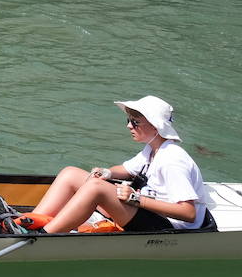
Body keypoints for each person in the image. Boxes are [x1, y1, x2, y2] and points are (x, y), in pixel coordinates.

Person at [20, 96, 207, 235]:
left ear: (156, 127)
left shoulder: (172, 161)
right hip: (147, 210)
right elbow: (126, 170)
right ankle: (29, 222)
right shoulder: (152, 149)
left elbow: (188, 212)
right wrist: (107, 172)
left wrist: (136, 199)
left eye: (135, 122)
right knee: (71, 173)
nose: (129, 126)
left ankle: (43, 236)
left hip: (170, 226)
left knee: (95, 188)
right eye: (128, 120)